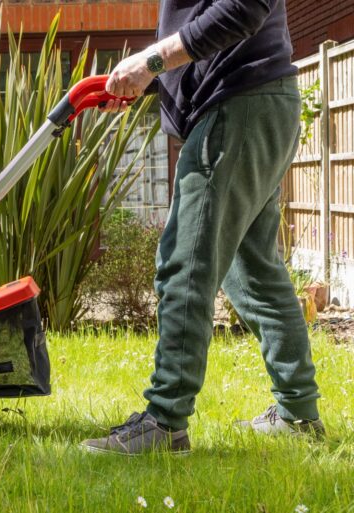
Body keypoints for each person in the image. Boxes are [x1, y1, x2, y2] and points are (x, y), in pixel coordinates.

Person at [80, 0, 324, 455]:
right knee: (253, 272)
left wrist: (151, 60)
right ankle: (299, 415)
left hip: (240, 105)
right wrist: (148, 78)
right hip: (253, 102)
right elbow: (206, 42)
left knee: (185, 262)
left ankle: (166, 421)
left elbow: (242, 9)